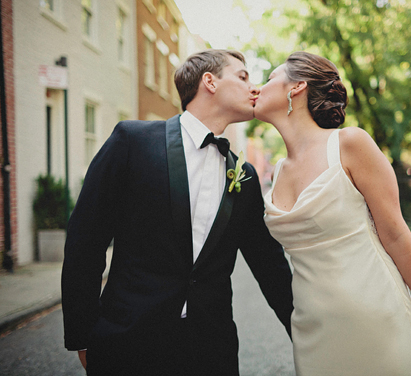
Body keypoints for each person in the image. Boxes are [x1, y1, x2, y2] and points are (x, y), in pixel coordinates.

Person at [61, 49, 293, 376]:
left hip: (212, 352)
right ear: (209, 82)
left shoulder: (246, 176)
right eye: (242, 77)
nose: (254, 88)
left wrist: (306, 336)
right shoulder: (132, 142)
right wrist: (83, 336)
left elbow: (270, 265)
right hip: (129, 345)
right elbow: (86, 241)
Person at [254, 51, 411, 376]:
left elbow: (397, 235)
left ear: (296, 87)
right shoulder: (278, 173)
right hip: (312, 332)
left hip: (377, 323)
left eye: (270, 78)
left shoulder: (349, 145)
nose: (258, 88)